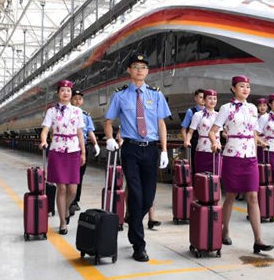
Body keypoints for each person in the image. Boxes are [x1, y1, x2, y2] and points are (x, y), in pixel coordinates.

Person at [104, 53, 171, 262]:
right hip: (131, 149)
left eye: (143, 67)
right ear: (129, 70)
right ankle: (138, 245)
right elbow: (108, 121)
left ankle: (132, 218)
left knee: (148, 198)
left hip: (150, 149)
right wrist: (108, 138)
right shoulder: (120, 95)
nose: (140, 70)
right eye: (135, 66)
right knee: (135, 194)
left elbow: (161, 124)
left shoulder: (155, 95)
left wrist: (164, 150)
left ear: (147, 71)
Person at [208, 76, 274, 254]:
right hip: (232, 155)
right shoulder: (225, 108)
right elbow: (213, 131)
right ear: (233, 88)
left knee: (253, 196)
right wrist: (215, 142)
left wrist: (257, 146)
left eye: (248, 86)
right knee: (230, 196)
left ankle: (258, 240)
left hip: (250, 157)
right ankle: (225, 230)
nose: (245, 89)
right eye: (241, 86)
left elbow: (253, 133)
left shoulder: (253, 108)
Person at [40, 80, 86, 235]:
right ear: (58, 93)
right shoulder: (51, 112)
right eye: (63, 90)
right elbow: (45, 129)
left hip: (74, 150)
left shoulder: (78, 112)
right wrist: (44, 140)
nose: (66, 93)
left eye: (68, 90)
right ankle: (62, 222)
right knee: (61, 187)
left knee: (72, 189)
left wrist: (83, 152)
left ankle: (66, 208)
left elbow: (80, 132)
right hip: (57, 150)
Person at [69, 89, 101, 215]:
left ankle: (75, 201)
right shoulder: (66, 113)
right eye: (75, 98)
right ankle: (69, 200)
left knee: (79, 176)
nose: (77, 101)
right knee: (69, 176)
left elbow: (89, 131)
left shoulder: (85, 116)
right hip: (70, 148)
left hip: (83, 149)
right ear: (71, 100)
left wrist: (96, 144)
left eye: (80, 99)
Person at [185, 89, 222, 175]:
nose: (212, 101)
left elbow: (220, 133)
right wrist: (187, 141)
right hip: (202, 149)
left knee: (216, 177)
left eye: (214, 99)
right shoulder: (198, 115)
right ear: (204, 100)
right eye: (210, 98)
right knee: (201, 177)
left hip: (216, 150)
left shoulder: (219, 115)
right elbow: (190, 131)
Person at [181, 89, 205, 170]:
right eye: (201, 97)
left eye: (204, 97)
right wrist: (186, 141)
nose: (203, 99)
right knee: (195, 165)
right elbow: (184, 128)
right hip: (195, 141)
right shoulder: (191, 111)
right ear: (196, 98)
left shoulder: (209, 111)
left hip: (207, 142)